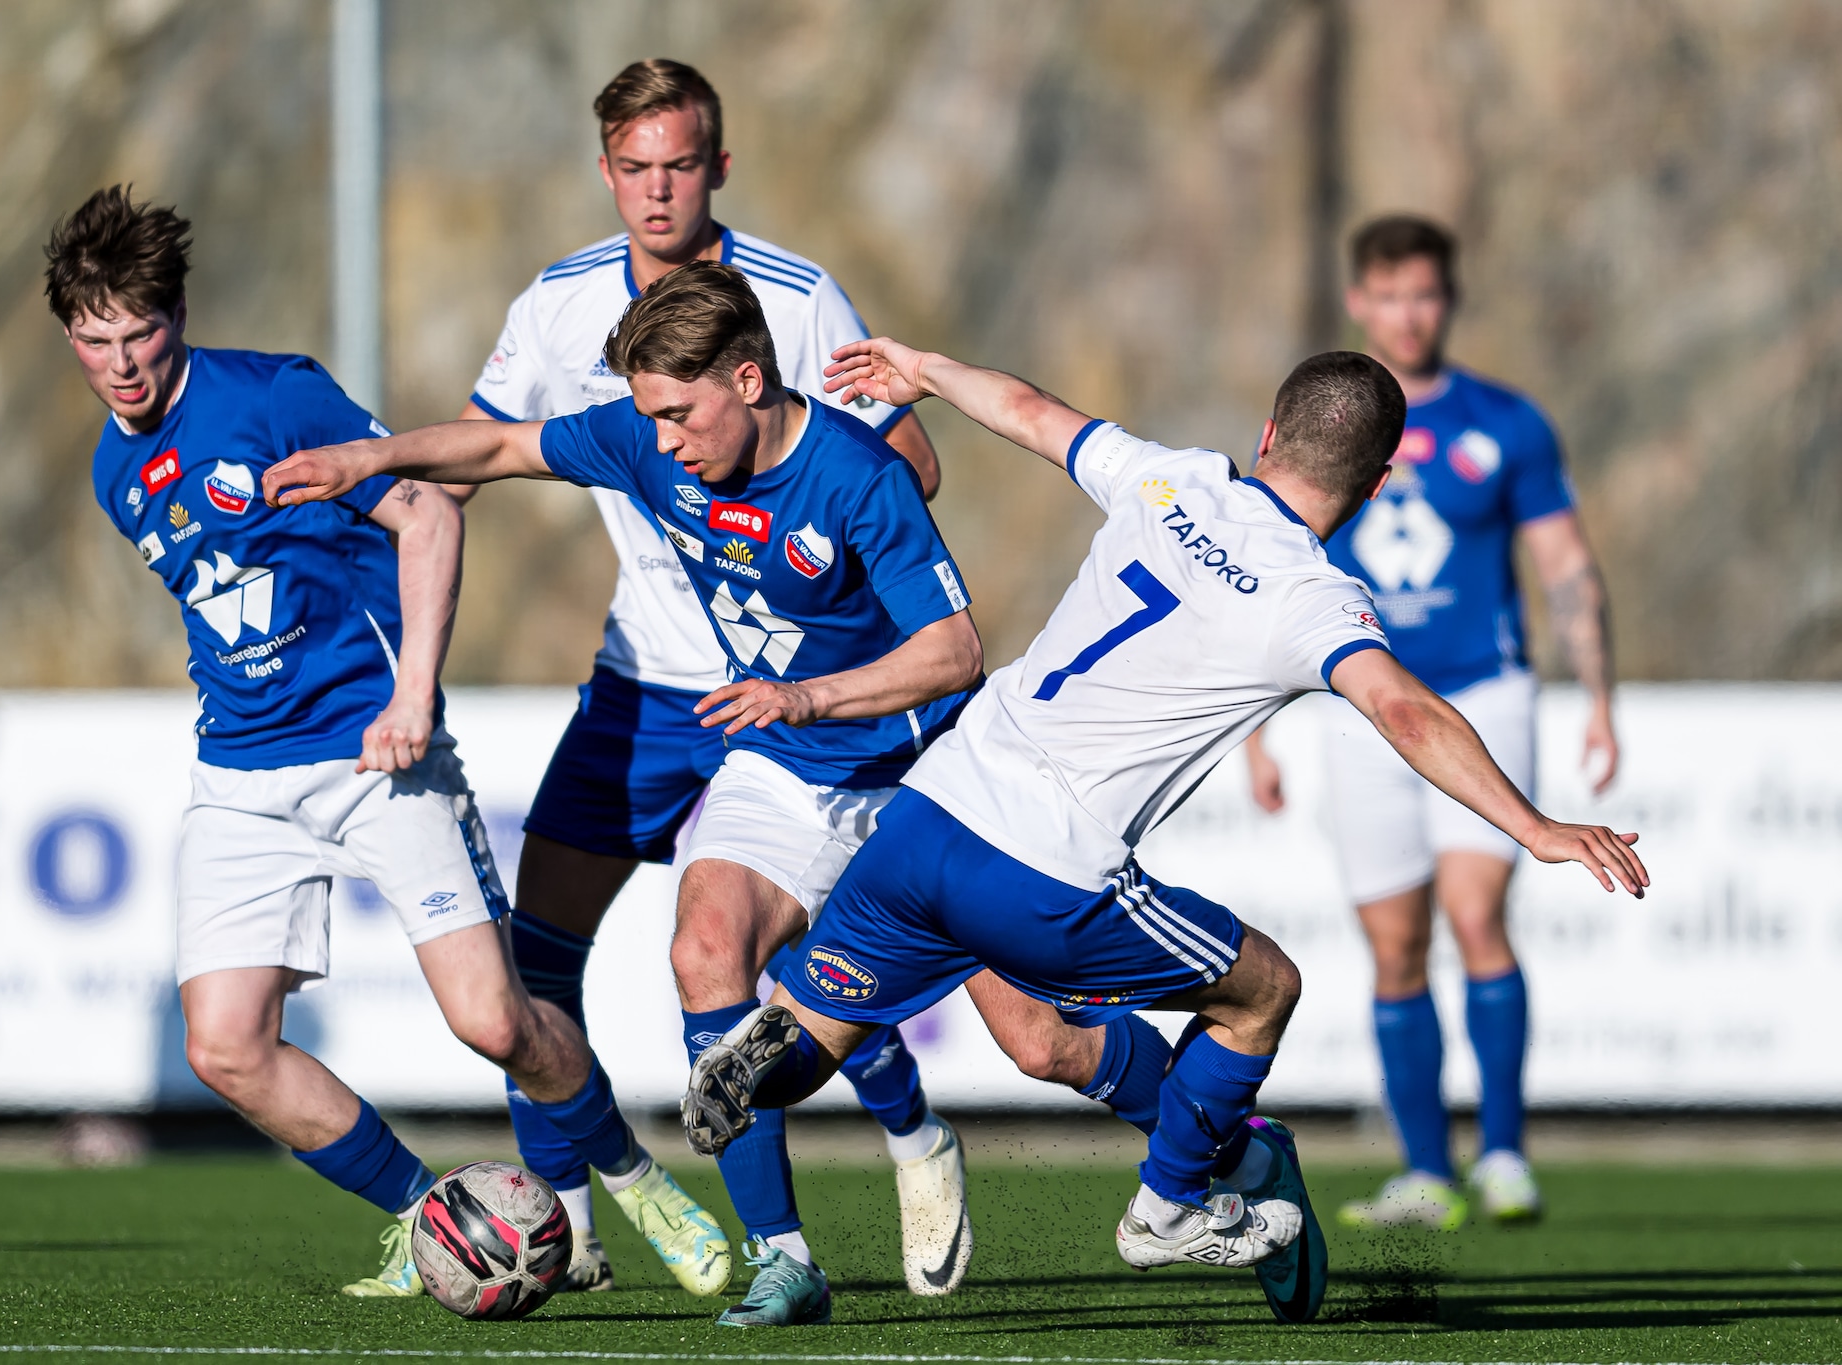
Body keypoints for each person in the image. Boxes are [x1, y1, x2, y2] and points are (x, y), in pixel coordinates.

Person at [674, 337, 1649, 1327]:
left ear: (1267, 433)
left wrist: (924, 371)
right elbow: (1406, 713)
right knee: (1264, 988)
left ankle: (748, 1067)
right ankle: (1167, 1206)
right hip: (1044, 869)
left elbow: (1029, 412)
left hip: (927, 814)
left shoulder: (1169, 479)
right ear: (1376, 480)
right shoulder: (1310, 598)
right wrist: (1531, 825)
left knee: (809, 1043)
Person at [265, 261, 985, 1327]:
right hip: (776, 755)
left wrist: (807, 694)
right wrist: (373, 455)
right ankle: (781, 1260)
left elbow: (957, 651)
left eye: (675, 413)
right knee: (704, 950)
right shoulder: (652, 442)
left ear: (747, 380)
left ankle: (1201, 1159)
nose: (657, 441)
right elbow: (506, 446)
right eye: (644, 415)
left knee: (1041, 1043)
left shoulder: (854, 476)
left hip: (914, 769)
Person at [44, 185, 726, 1300]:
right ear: (68, 333)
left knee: (492, 1021)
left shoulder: (273, 395)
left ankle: (634, 1177)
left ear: (177, 317)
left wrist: (413, 694)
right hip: (239, 775)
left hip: (375, 755)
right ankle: (431, 1221)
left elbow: (430, 515)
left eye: (140, 333)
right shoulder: (111, 472)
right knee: (222, 1047)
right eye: (93, 340)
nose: (120, 363)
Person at [455, 58, 963, 1297]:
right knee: (538, 966)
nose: (656, 191)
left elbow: (912, 476)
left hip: (798, 699)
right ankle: (560, 1229)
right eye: (634, 167)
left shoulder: (793, 299)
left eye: (679, 165)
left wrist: (771, 535)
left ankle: (905, 1127)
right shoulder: (559, 305)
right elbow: (476, 451)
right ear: (605, 172)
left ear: (717, 167)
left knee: (783, 970)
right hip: (643, 691)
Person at [1242, 215, 1618, 1229]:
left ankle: (1501, 1156)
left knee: (1473, 914)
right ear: (1359, 301)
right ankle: (1424, 1171)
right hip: (1360, 702)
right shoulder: (1332, 419)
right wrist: (1254, 731)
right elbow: (1258, 565)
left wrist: (1596, 698)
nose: (1409, 314)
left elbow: (1564, 567)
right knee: (1394, 945)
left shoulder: (1506, 423)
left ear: (1447, 301)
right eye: (1389, 295)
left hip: (1478, 696)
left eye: (1426, 295)